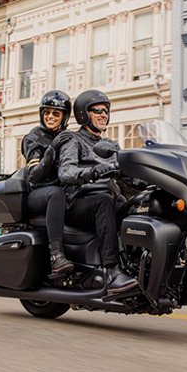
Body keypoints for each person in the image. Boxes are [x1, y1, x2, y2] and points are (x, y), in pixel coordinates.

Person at [57, 90, 138, 293]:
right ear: (84, 114)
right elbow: (66, 172)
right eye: (97, 110)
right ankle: (112, 271)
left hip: (107, 201)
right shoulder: (73, 141)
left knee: (139, 205)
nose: (103, 114)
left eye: (106, 111)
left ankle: (137, 265)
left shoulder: (111, 145)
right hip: (79, 203)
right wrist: (92, 172)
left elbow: (129, 174)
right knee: (104, 200)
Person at [21, 90, 74, 275]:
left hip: (63, 190)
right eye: (47, 112)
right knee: (56, 193)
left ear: (64, 117)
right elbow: (34, 175)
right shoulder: (33, 137)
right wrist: (51, 151)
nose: (50, 117)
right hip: (38, 193)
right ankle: (56, 255)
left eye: (56, 113)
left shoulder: (68, 136)